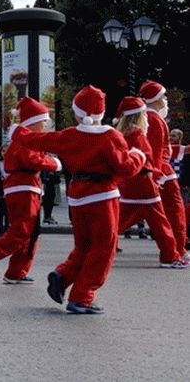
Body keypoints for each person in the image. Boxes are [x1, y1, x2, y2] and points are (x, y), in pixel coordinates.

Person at [10, 85, 146, 314]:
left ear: (77, 112)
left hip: (77, 196)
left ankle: (63, 276)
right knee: (103, 247)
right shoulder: (110, 136)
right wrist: (138, 155)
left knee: (83, 246)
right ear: (102, 112)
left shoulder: (70, 135)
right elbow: (125, 167)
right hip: (103, 195)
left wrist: (17, 132)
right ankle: (82, 295)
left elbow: (40, 140)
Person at [0, 98, 61, 283]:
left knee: (31, 232)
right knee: (23, 230)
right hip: (24, 188)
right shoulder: (25, 140)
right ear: (33, 122)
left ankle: (16, 271)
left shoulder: (25, 138)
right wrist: (54, 164)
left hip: (26, 187)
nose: (46, 125)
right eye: (43, 121)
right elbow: (31, 161)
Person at [113, 96, 186, 268]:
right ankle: (170, 256)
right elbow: (147, 159)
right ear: (140, 116)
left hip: (130, 183)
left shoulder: (121, 134)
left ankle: (93, 246)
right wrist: (157, 174)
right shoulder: (138, 135)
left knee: (118, 220)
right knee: (161, 223)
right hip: (145, 183)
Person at [139, 80, 188, 260]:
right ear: (157, 99)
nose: (166, 100)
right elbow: (156, 152)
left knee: (162, 214)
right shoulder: (154, 120)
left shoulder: (152, 119)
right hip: (162, 174)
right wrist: (157, 176)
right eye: (163, 96)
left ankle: (174, 250)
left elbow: (161, 149)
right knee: (175, 212)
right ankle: (177, 250)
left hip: (159, 173)